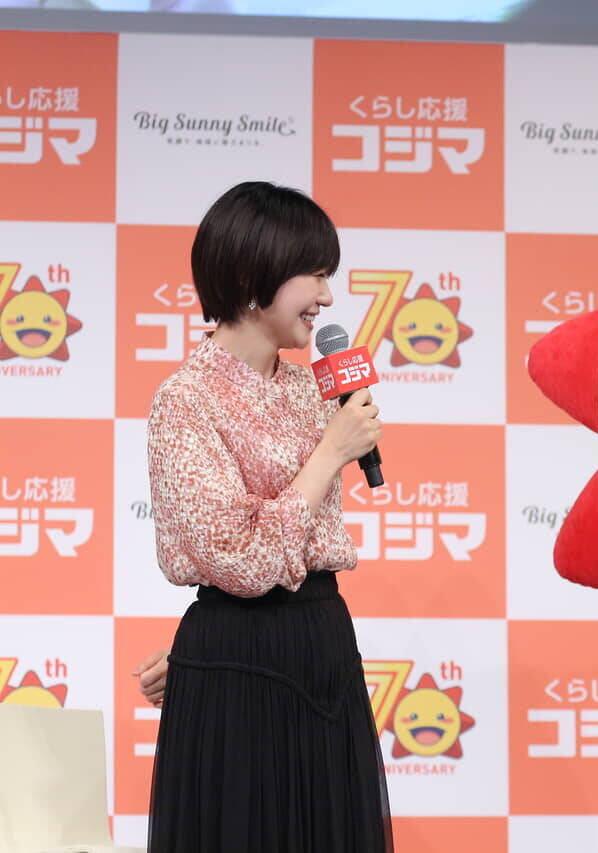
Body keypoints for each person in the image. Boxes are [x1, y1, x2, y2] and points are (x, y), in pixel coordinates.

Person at [145, 181, 392, 852]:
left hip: (322, 640)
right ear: (251, 279)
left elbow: (307, 540)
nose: (328, 297)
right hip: (238, 660)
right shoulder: (185, 400)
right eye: (314, 274)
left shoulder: (312, 389)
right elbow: (241, 558)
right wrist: (332, 452)